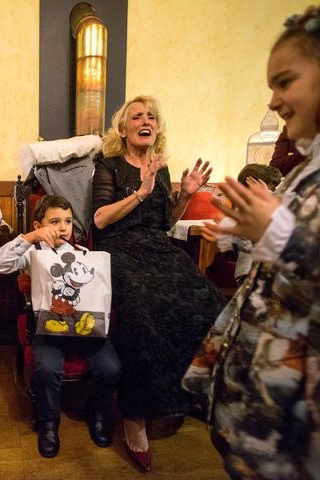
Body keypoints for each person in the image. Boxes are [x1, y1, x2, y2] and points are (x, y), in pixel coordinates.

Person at [182, 2, 320, 479]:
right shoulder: (311, 164)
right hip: (268, 374)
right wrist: (249, 229)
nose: (273, 101)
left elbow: (304, 247)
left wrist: (281, 236)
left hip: (313, 400)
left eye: (285, 82)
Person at [92, 95, 226, 472]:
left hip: (156, 246)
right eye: (137, 116)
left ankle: (191, 395)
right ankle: (135, 416)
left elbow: (166, 222)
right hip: (118, 249)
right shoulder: (109, 166)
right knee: (142, 313)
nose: (145, 120)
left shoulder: (160, 168)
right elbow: (100, 220)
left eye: (151, 116)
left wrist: (183, 194)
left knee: (208, 303)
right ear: (123, 128)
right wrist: (140, 192)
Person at [0, 194, 122, 458]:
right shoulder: (32, 253)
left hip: (85, 329)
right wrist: (30, 238)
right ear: (39, 225)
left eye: (68, 221)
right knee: (48, 369)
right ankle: (49, 423)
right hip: (49, 329)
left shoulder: (83, 254)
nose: (63, 227)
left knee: (111, 368)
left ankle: (96, 413)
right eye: (55, 221)